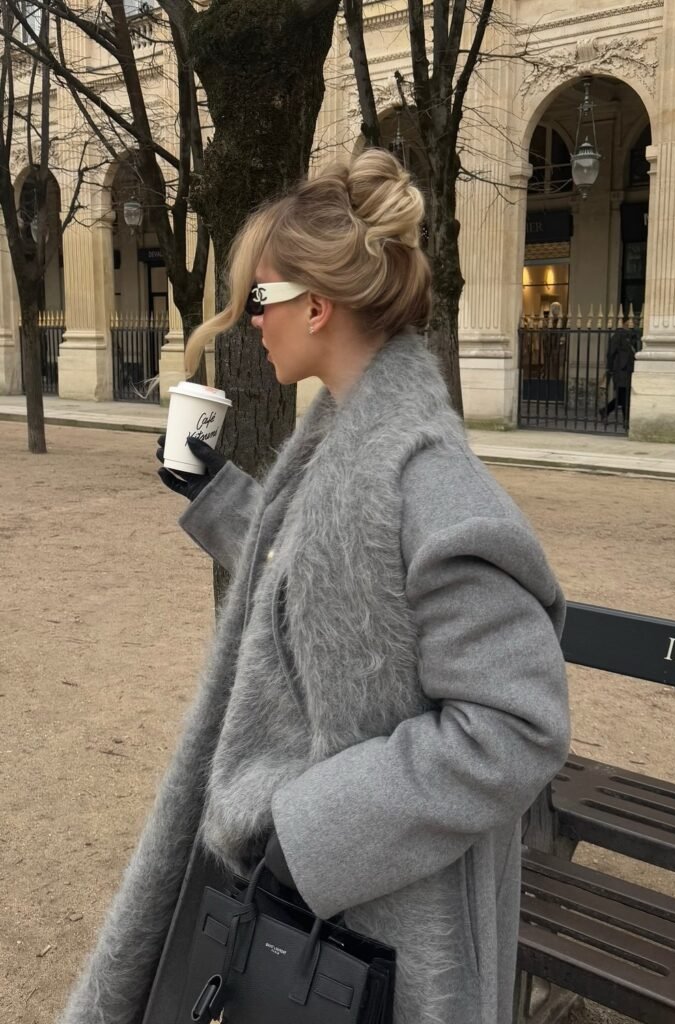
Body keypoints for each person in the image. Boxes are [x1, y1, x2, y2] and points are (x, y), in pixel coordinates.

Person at [58, 149, 570, 1024]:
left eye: (259, 297)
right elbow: (318, 585)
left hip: (383, 938)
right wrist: (215, 495)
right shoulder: (345, 452)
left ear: (317, 304)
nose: (250, 319)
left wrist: (309, 833)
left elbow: (515, 724)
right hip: (319, 904)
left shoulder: (425, 479)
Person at [599, 325, 640, 428]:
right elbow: (611, 353)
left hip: (629, 371)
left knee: (622, 397)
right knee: (624, 396)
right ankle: (626, 420)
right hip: (620, 371)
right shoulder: (618, 336)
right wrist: (610, 369)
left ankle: (605, 410)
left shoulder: (634, 337)